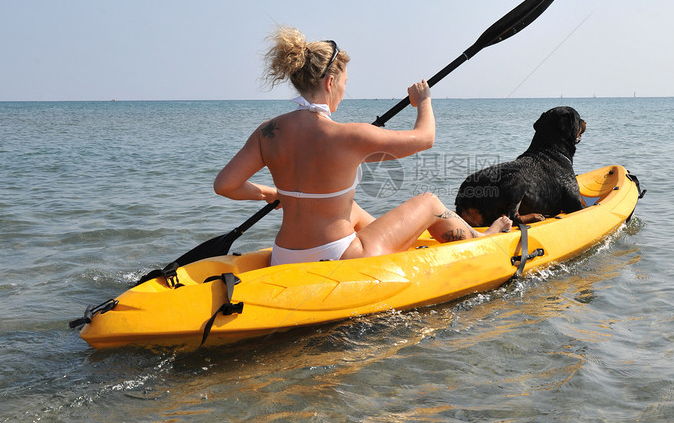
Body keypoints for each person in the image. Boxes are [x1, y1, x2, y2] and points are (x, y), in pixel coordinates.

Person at [214, 27, 512, 266]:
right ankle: (481, 241)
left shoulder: (268, 132)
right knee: (429, 202)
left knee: (351, 208)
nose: (345, 89)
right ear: (330, 82)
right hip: (338, 256)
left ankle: (404, 242)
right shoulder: (348, 136)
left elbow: (225, 185)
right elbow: (425, 138)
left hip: (284, 256)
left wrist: (272, 193)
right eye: (345, 82)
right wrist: (424, 101)